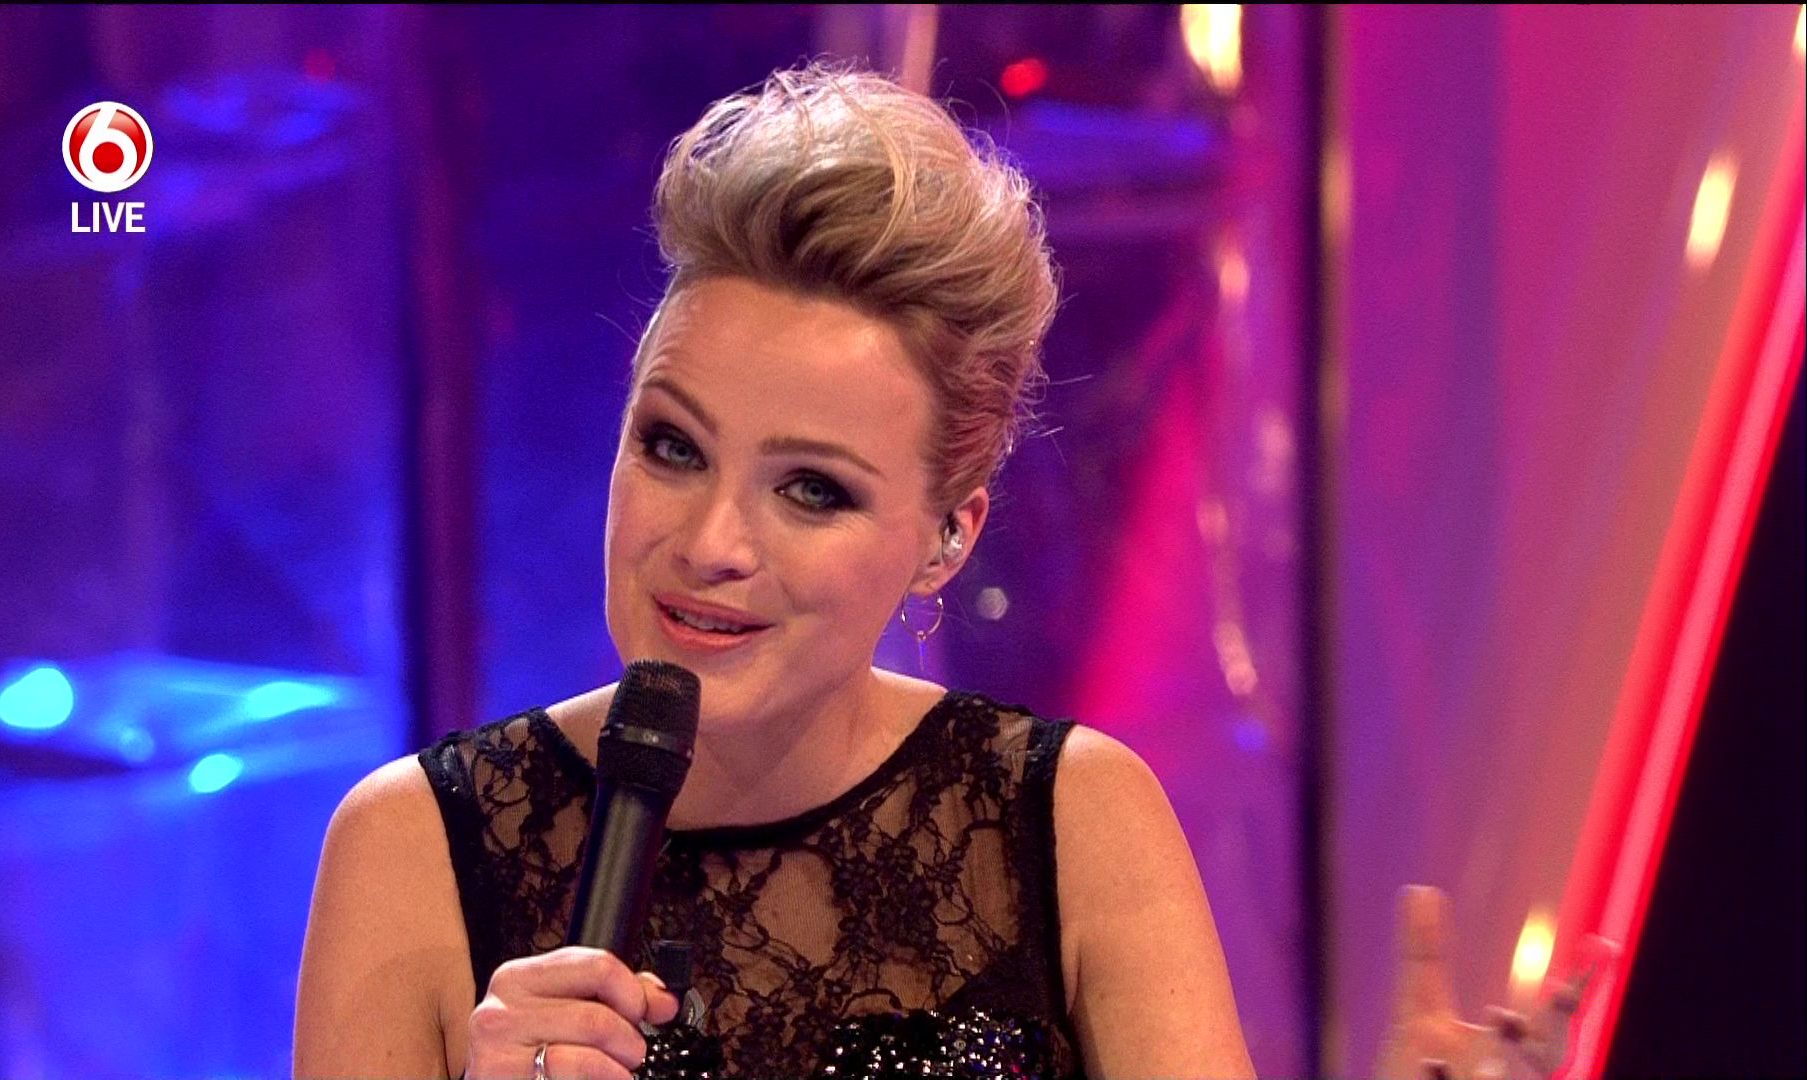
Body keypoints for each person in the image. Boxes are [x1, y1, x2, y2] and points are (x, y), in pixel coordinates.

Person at [292, 62, 1572, 1080]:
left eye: (813, 490)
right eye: (673, 447)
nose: (712, 543)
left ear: (947, 536)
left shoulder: (1071, 820)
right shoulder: (412, 847)